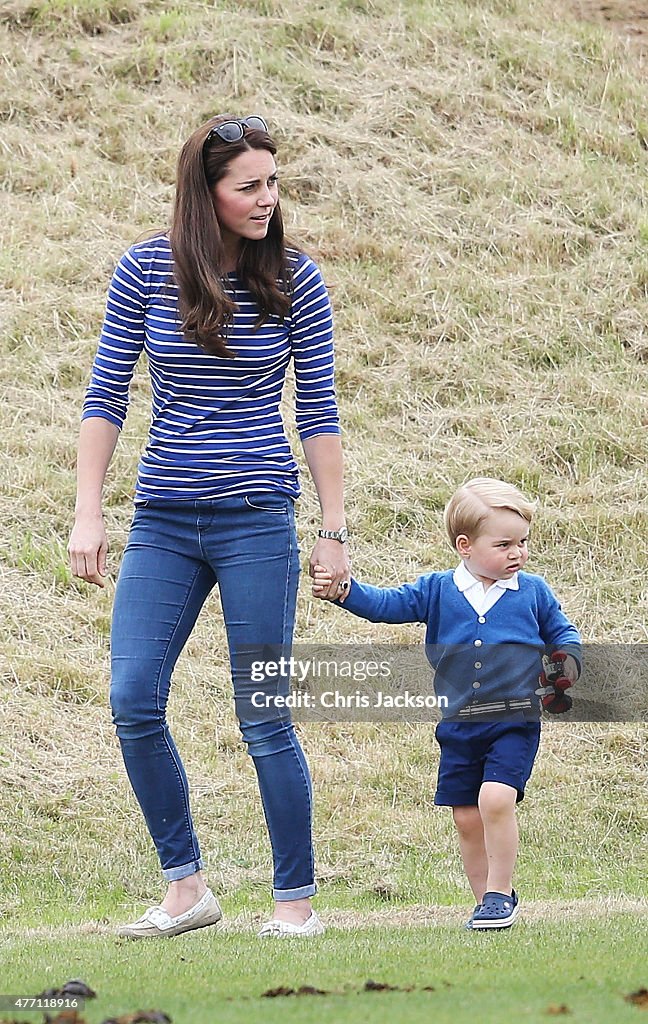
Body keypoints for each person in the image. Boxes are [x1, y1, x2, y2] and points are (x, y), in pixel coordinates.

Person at [68, 114, 351, 939]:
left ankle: (294, 906)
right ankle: (186, 887)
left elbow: (320, 413)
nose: (267, 199)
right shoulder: (146, 270)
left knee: (263, 711)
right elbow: (105, 395)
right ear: (206, 193)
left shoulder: (297, 279)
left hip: (259, 517)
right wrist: (90, 511)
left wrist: (334, 528)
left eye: (272, 182)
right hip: (162, 518)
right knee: (132, 699)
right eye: (247, 186)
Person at [312, 477, 580, 930]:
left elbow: (564, 635)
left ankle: (498, 891)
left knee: (496, 798)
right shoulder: (437, 590)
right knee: (466, 816)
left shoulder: (533, 592)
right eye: (504, 544)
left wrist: (563, 666)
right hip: (457, 724)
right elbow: (385, 605)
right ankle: (488, 903)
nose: (518, 553)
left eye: (523, 543)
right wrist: (344, 591)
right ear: (465, 545)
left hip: (514, 720)